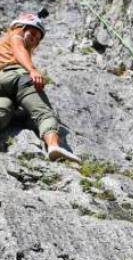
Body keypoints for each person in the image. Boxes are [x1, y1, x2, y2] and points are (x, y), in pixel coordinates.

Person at [0, 9, 80, 163]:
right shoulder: (16, 33)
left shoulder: (3, 43)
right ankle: (54, 146)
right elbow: (18, 48)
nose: (35, 39)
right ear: (23, 28)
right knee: (44, 113)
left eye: (38, 38)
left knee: (3, 110)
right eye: (33, 33)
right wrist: (32, 70)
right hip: (17, 77)